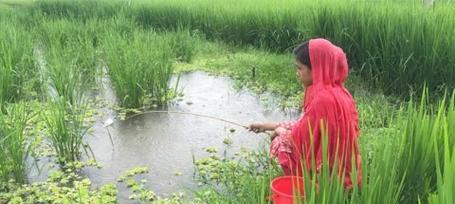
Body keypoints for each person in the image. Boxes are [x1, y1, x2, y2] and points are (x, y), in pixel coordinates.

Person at [249, 38, 362, 188]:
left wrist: (278, 131)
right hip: (347, 170)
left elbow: (298, 139)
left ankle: (308, 185)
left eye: (300, 68)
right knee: (282, 134)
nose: (297, 73)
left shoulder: (323, 100)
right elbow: (305, 126)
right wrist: (266, 126)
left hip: (331, 178)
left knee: (281, 143)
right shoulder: (338, 91)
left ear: (316, 68)